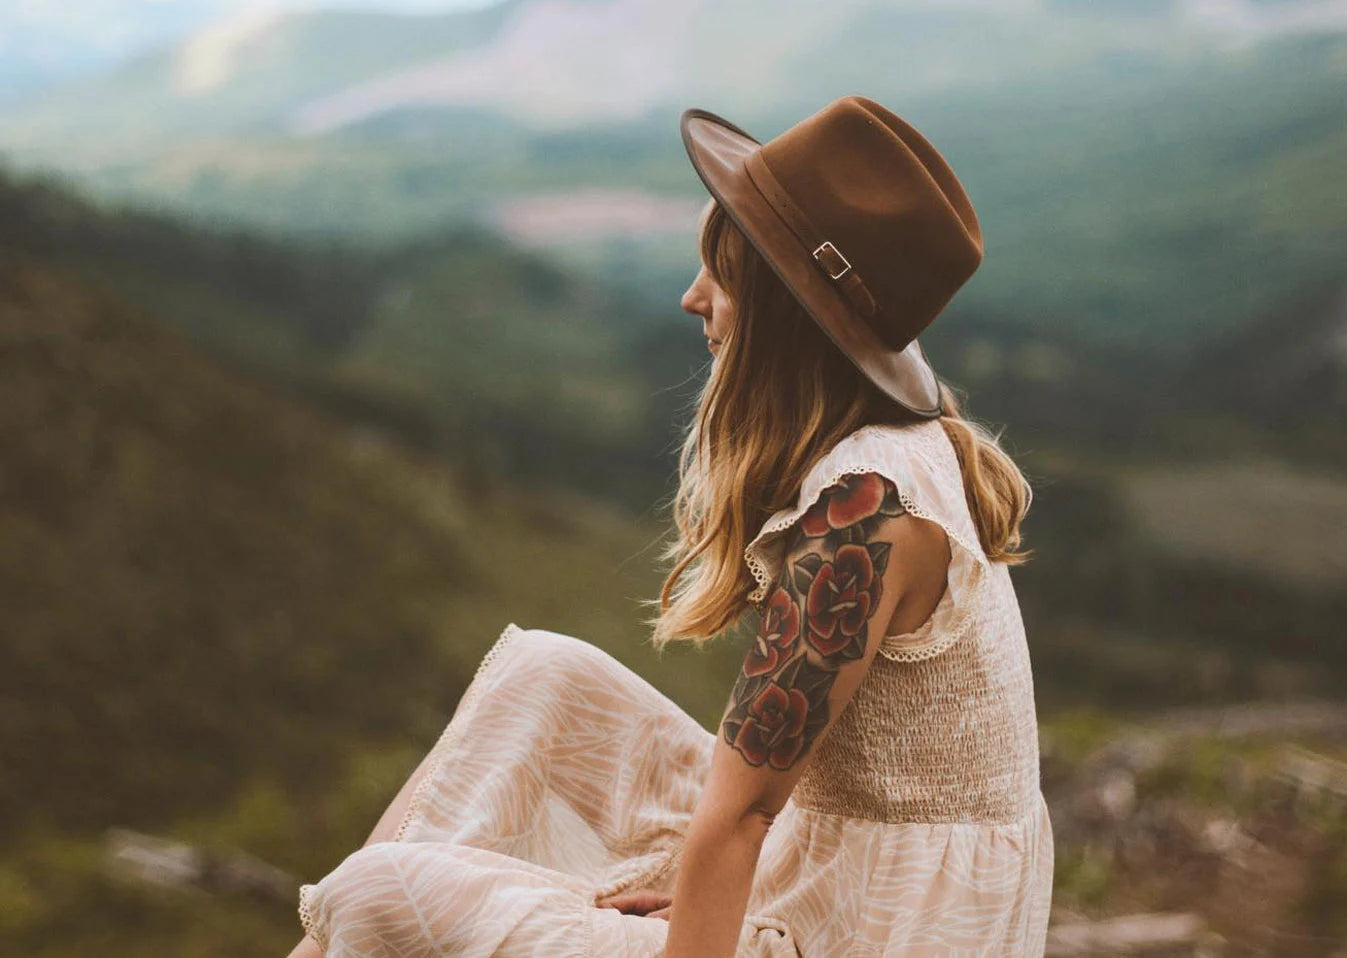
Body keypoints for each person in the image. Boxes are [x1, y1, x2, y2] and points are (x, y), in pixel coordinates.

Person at [288, 94, 1052, 957]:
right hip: (846, 859)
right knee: (548, 672)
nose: (693, 300)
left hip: (875, 932)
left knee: (377, 893)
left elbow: (744, 812)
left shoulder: (866, 507)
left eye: (722, 275)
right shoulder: (903, 449)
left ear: (782, 313)